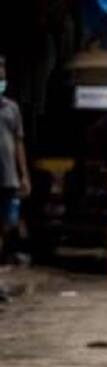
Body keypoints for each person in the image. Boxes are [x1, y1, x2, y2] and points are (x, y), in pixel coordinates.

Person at [0, 59, 31, 262]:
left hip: (8, 176)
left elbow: (19, 142)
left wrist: (24, 175)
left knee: (8, 222)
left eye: (2, 79)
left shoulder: (12, 108)